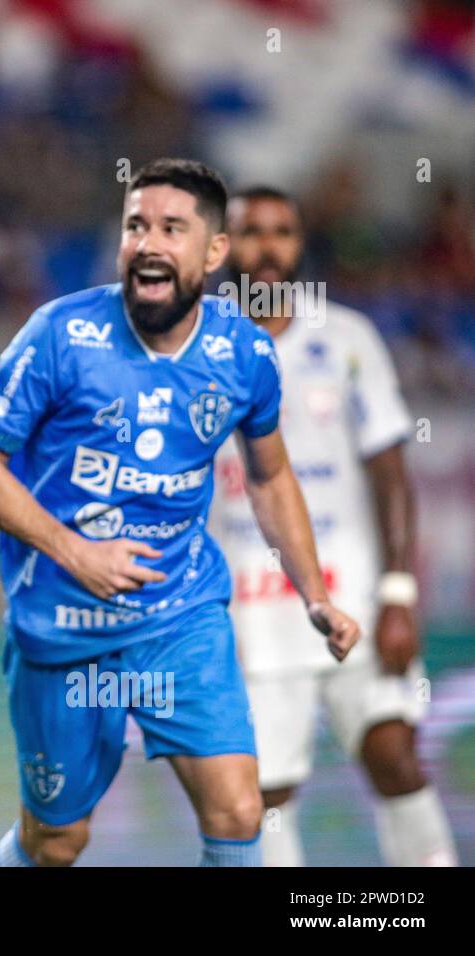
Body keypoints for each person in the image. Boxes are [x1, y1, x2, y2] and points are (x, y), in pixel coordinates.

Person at [0, 158, 359, 867]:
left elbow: (270, 477)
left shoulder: (243, 353)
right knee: (57, 840)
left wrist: (315, 594)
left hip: (181, 618)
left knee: (238, 812)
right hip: (63, 630)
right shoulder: (59, 334)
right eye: (136, 226)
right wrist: (77, 552)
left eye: (173, 228)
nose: (148, 243)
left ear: (213, 251)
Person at [210, 185, 457, 866]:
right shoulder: (195, 346)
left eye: (281, 231)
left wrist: (399, 594)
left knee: (394, 754)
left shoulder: (347, 338)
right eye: (250, 231)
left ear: (298, 244)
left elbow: (390, 472)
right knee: (266, 789)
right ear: (224, 248)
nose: (267, 246)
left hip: (353, 594)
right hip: (250, 607)